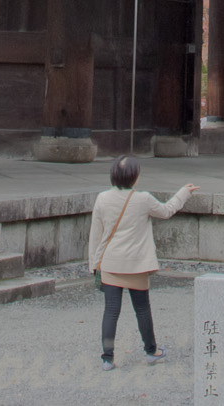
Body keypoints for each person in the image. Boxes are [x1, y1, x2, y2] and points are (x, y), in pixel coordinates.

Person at [87, 156, 196, 369]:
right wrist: (184, 192)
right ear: (134, 177)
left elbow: (96, 234)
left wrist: (93, 263)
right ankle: (151, 351)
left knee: (111, 311)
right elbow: (166, 211)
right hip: (136, 263)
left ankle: (107, 357)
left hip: (110, 262)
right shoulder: (143, 199)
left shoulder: (102, 198)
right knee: (142, 309)